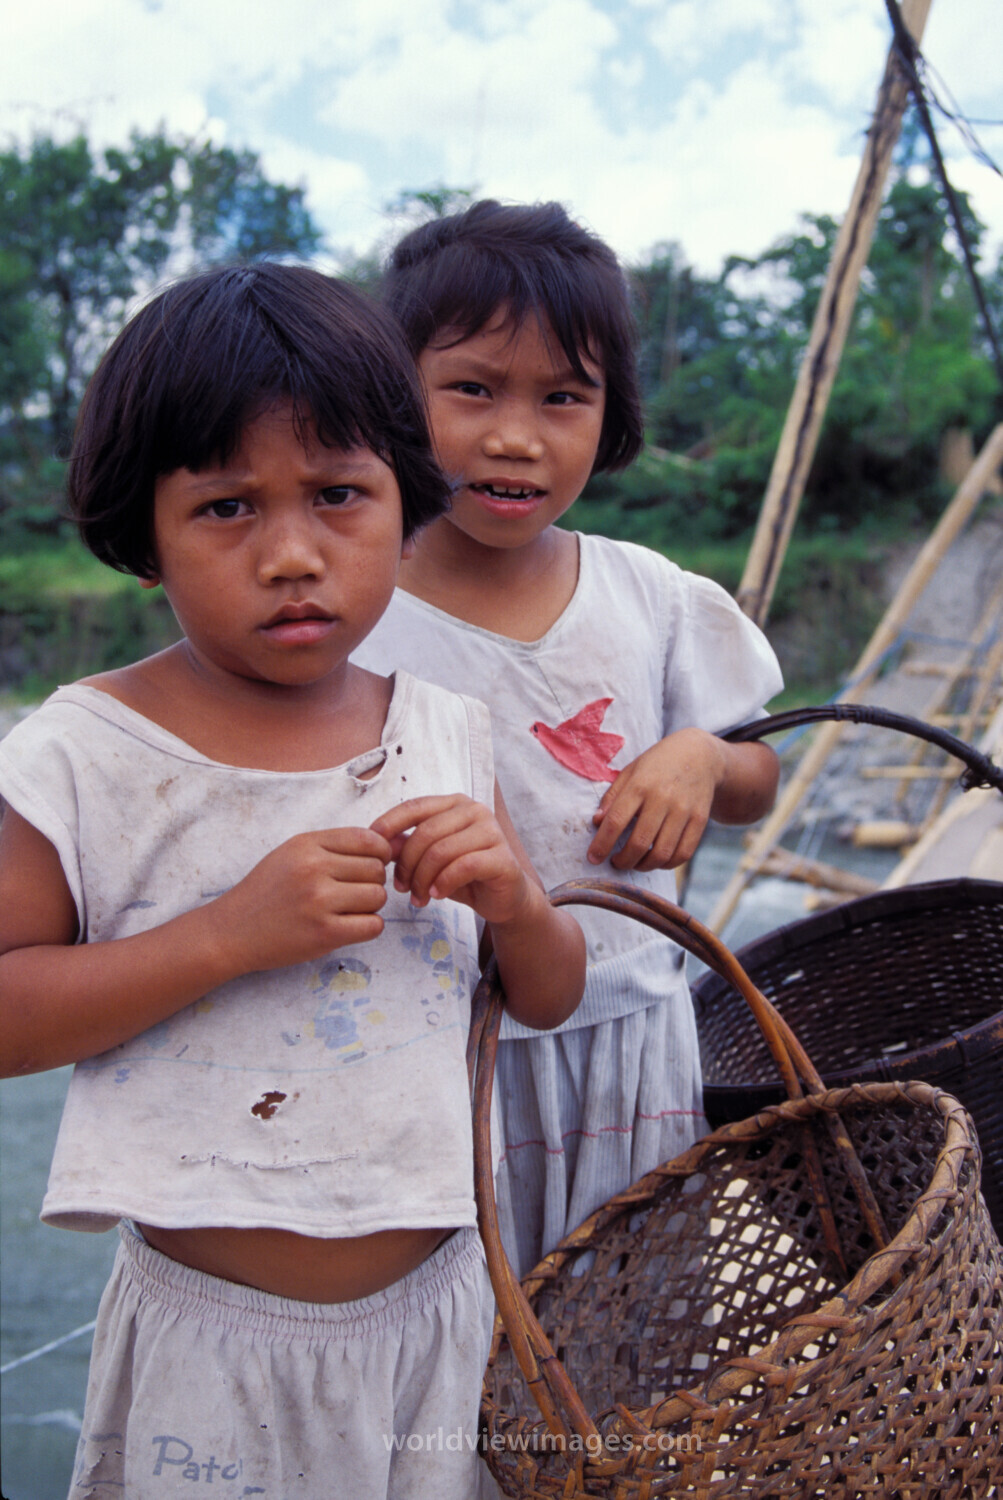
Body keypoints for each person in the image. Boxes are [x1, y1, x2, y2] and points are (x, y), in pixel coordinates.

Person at [0, 263, 585, 1500]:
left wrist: (520, 904)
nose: (291, 555)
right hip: (211, 1344)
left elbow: (543, 996)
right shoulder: (82, 750)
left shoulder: (444, 727)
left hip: (437, 1316)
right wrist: (223, 936)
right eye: (225, 508)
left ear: (404, 506)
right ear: (142, 538)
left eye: (338, 495)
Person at [353, 199, 784, 1278]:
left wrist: (700, 756)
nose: (515, 435)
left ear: (610, 414)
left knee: (624, 1321)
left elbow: (757, 777)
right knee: (472, 1331)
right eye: (471, 389)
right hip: (449, 1051)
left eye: (563, 397)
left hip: (638, 1037)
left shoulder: (652, 596)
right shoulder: (356, 616)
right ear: (393, 397)